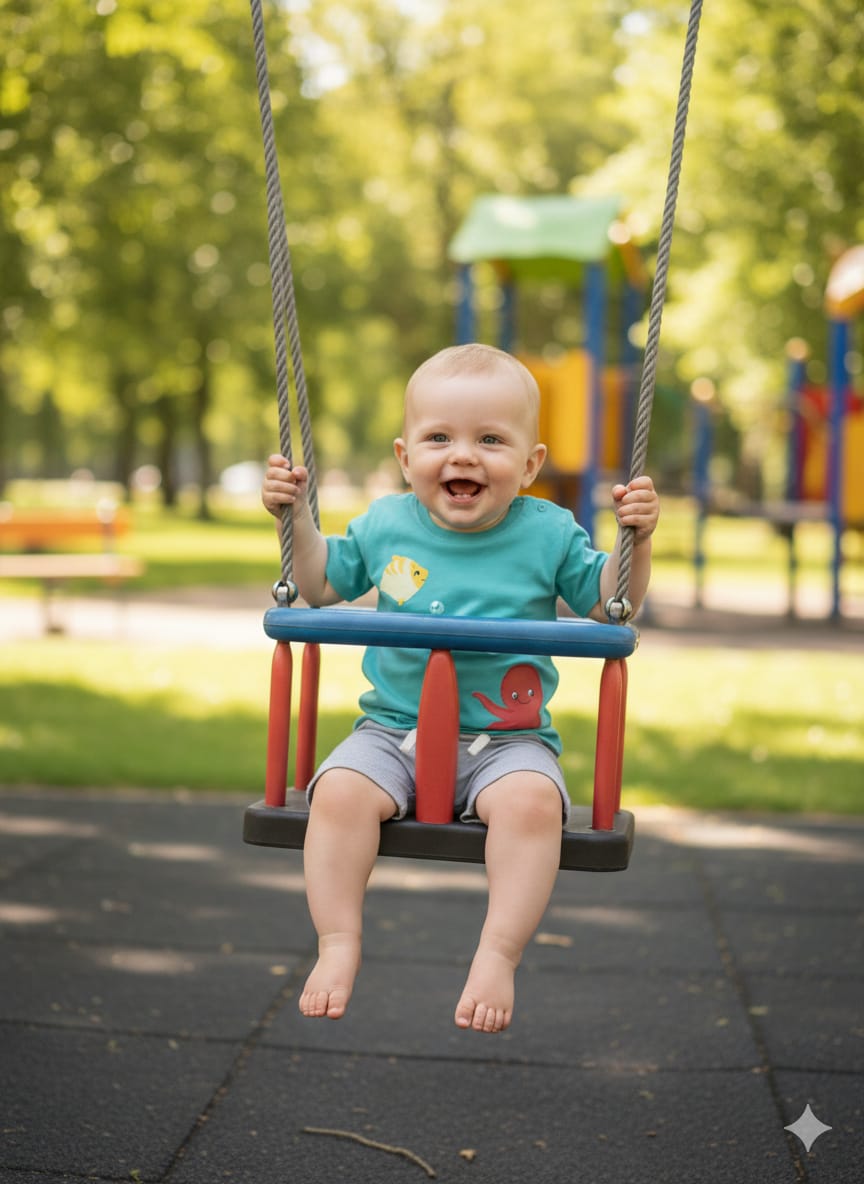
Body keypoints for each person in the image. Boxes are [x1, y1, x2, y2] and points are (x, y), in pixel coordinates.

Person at [262, 343, 659, 1034]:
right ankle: (337, 942)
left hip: (508, 742)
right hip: (392, 730)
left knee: (535, 806)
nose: (463, 456)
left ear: (531, 464)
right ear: (405, 454)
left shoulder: (548, 533)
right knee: (339, 795)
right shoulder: (385, 525)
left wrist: (636, 541)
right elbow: (321, 583)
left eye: (491, 440)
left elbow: (609, 605)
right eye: (439, 437)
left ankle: (498, 953)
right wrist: (293, 518)